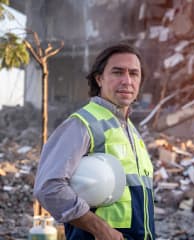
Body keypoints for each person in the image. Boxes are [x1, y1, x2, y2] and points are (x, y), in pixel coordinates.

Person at [34, 43, 155, 240]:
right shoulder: (82, 124)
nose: (127, 80)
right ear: (99, 78)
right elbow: (49, 187)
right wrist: (102, 230)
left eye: (134, 74)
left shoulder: (131, 130)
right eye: (118, 72)